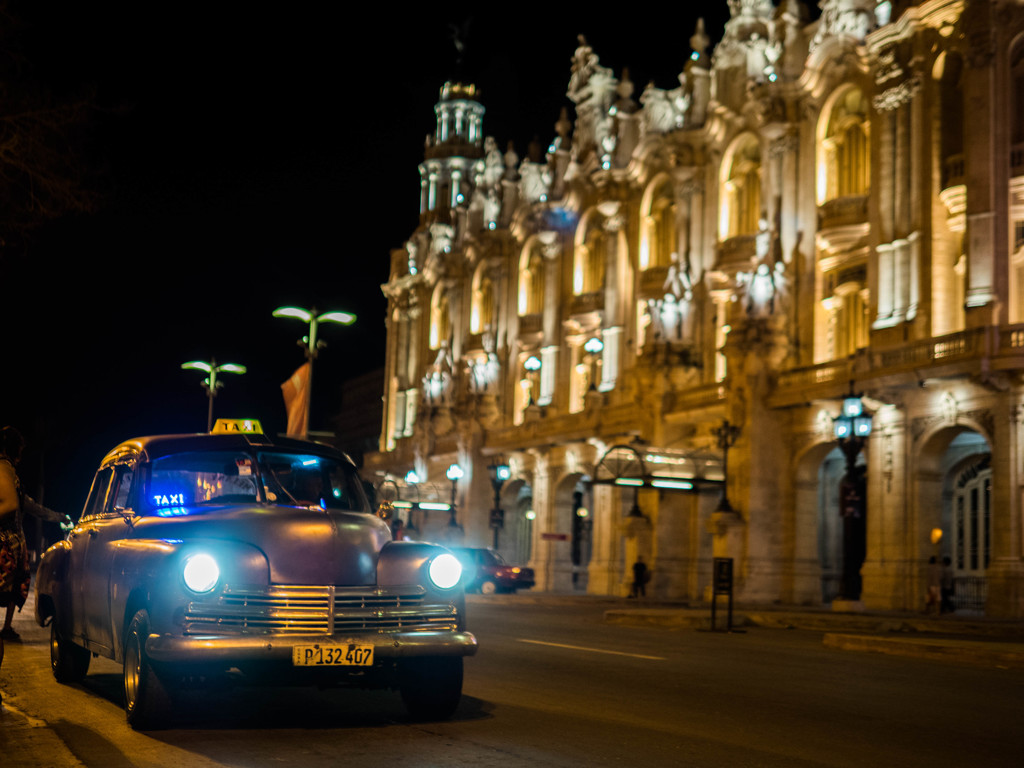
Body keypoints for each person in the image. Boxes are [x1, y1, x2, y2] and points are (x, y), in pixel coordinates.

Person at [1, 427, 69, 651]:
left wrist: (56, 516)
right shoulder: (8, 470)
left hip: (9, 541)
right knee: (13, 584)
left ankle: (7, 628)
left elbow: (22, 504)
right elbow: (24, 505)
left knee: (13, 584)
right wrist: (57, 516)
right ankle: (7, 627)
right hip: (12, 541)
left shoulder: (6, 470)